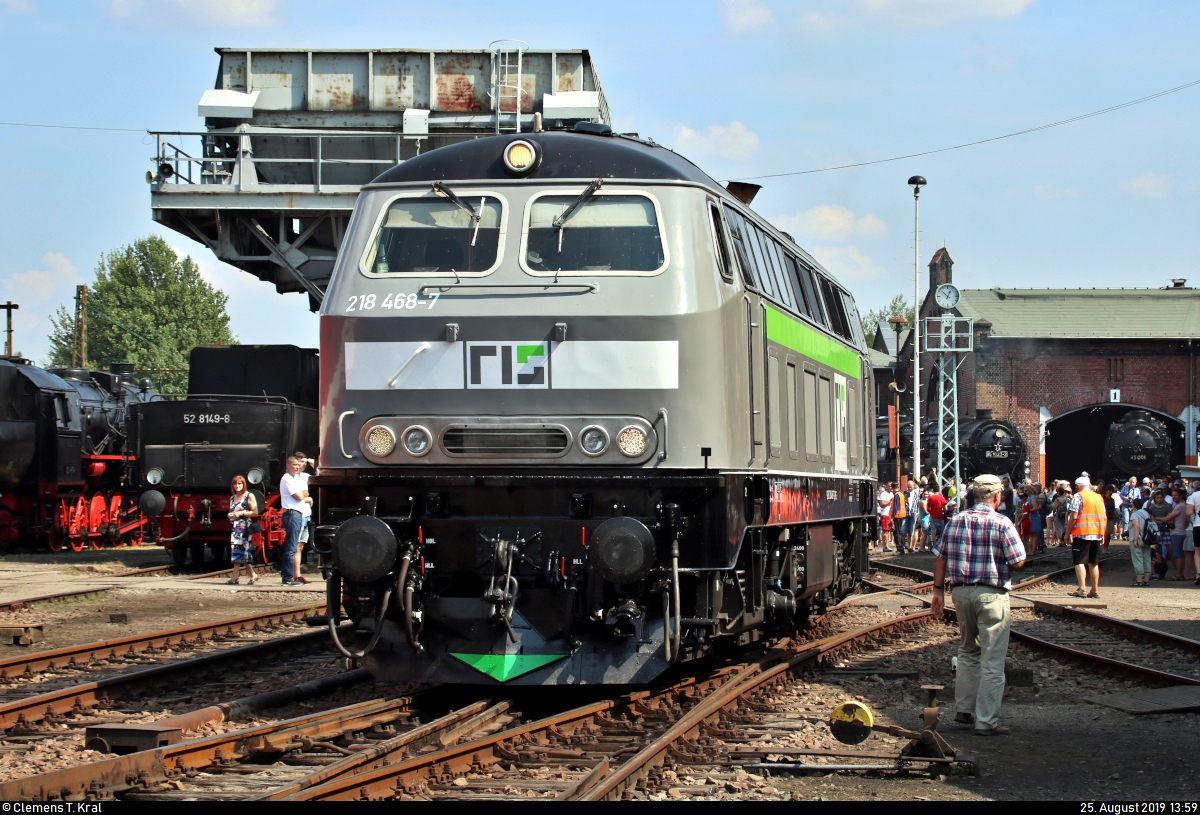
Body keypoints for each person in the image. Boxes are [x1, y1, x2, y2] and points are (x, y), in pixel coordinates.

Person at [931, 474, 1026, 737]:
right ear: (997, 497)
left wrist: (937, 592)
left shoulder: (955, 521)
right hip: (992, 594)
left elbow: (941, 558)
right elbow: (1018, 560)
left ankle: (963, 709)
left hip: (961, 593)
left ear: (973, 496)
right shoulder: (1002, 522)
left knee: (967, 650)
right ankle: (986, 722)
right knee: (992, 659)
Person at [1065, 475, 1105, 599]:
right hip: (1097, 534)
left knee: (1079, 561)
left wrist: (1067, 533)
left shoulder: (1078, 496)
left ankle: (1082, 589)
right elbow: (1104, 516)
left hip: (1082, 533)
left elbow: (1074, 516)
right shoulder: (1099, 497)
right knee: (1094, 562)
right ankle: (1094, 590)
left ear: (1078, 486)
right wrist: (1102, 533)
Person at [279, 455, 313, 587]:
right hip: (292, 514)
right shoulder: (287, 478)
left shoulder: (293, 479)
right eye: (294, 465)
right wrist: (303, 493)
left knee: (293, 546)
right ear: (288, 466)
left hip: (297, 514)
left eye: (298, 465)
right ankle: (287, 577)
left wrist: (303, 493)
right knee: (291, 547)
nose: (297, 467)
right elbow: (299, 496)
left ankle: (288, 576)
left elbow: (304, 493)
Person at [227, 474, 258, 586]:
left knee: (239, 551)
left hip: (244, 527)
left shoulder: (249, 496)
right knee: (240, 552)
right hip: (235, 528)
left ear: (243, 484)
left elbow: (255, 512)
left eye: (239, 483)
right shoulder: (232, 498)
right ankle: (253, 574)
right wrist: (230, 515)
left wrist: (241, 513)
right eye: (235, 483)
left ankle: (235, 577)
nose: (237, 486)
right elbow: (232, 511)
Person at [290, 452, 316, 585]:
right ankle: (294, 575)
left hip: (306, 513)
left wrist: (314, 465)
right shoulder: (292, 478)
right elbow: (300, 495)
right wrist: (307, 497)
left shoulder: (305, 476)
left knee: (300, 546)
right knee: (295, 546)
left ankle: (297, 575)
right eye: (302, 462)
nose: (304, 465)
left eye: (305, 463)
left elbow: (322, 477)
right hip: (298, 513)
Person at [1145, 490, 1179, 580]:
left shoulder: (1168, 507)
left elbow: (1169, 519)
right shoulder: (1152, 508)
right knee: (1157, 552)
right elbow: (1151, 519)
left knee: (1172, 551)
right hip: (1156, 532)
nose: (1160, 499)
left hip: (1166, 530)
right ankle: (1157, 572)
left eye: (1161, 497)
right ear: (1155, 499)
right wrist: (1162, 520)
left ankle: (1178, 571)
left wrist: (1158, 519)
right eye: (1158, 498)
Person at [1161, 488, 1191, 581]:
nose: (1173, 497)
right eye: (1173, 495)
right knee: (1180, 554)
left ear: (1181, 496)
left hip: (1177, 532)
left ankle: (1179, 574)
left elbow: (1167, 518)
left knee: (1178, 554)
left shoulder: (1180, 506)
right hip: (1180, 531)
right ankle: (1181, 574)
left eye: (1176, 495)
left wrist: (1155, 518)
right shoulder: (1183, 505)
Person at [1127, 497, 1153, 587]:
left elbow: (1137, 526)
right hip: (1147, 538)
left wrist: (1135, 539)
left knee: (1137, 558)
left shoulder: (1134, 514)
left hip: (1138, 538)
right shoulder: (1146, 513)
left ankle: (1139, 580)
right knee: (1146, 558)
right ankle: (1146, 579)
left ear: (1134, 505)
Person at [926, 486, 947, 551]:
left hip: (932, 517)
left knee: (933, 533)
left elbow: (928, 509)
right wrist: (943, 511)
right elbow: (945, 508)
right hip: (940, 517)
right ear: (939, 490)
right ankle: (940, 546)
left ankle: (934, 547)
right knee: (942, 533)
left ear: (933, 490)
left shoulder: (930, 498)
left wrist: (932, 511)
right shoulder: (942, 498)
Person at [1188, 481, 1200, 585]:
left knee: (1197, 551)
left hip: (1198, 525)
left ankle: (1199, 573)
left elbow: (1189, 512)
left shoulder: (1194, 495)